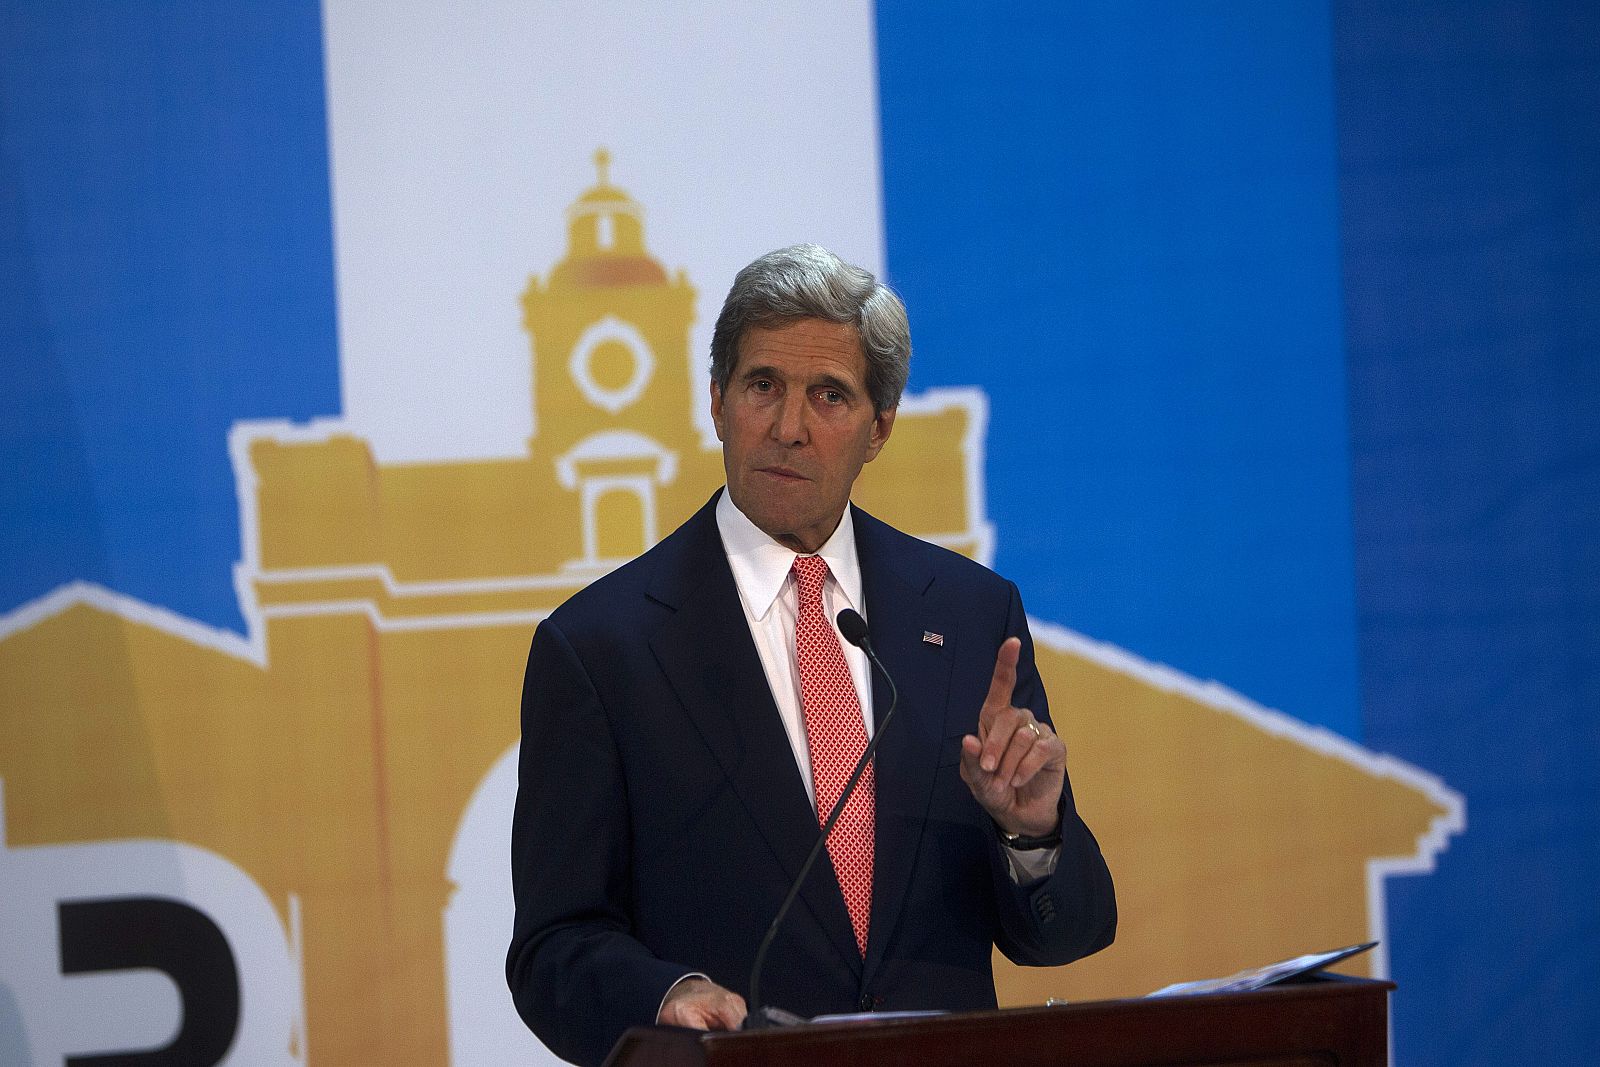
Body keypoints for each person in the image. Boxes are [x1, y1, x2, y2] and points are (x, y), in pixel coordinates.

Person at [507, 245, 1115, 1066]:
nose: (789, 426)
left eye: (829, 395)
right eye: (763, 385)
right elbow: (553, 948)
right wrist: (664, 995)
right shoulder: (599, 649)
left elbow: (1067, 933)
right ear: (717, 401)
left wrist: (1032, 830)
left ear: (880, 428)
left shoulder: (971, 617)